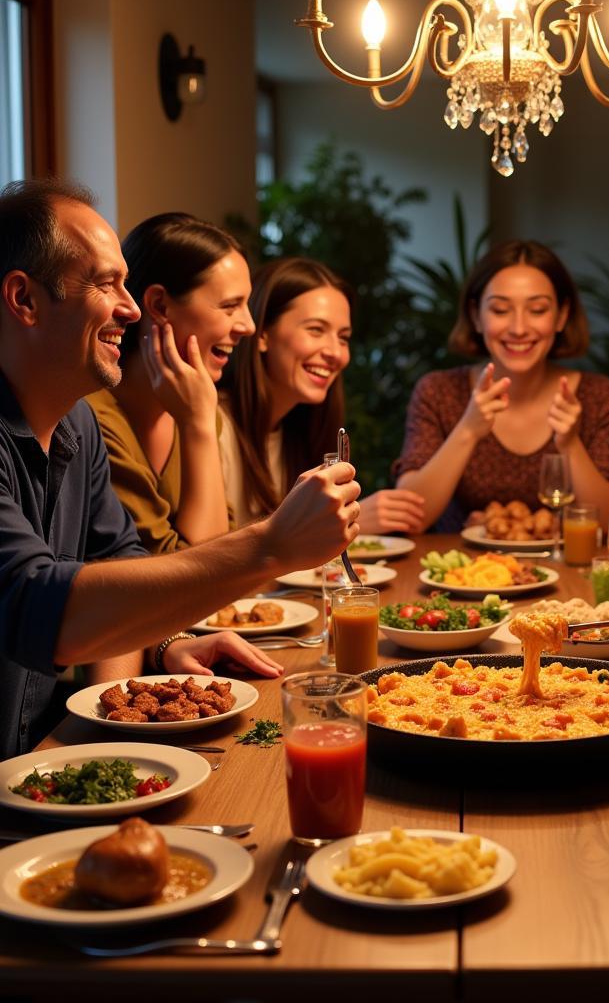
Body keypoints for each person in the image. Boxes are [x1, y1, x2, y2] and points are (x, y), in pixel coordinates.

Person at [0, 178, 360, 759]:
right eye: (105, 284)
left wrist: (125, 705)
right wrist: (270, 546)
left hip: (48, 758)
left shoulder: (78, 426)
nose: (132, 307)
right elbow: (36, 605)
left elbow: (117, 560)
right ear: (24, 300)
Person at [394, 240, 609, 530]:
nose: (518, 328)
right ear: (476, 316)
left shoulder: (596, 396)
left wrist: (570, 444)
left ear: (562, 316)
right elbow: (408, 518)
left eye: (538, 310)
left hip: (568, 573)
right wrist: (467, 430)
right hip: (459, 571)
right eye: (501, 310)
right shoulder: (439, 391)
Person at [218, 257, 425, 531]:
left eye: (343, 337)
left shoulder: (299, 431)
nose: (335, 353)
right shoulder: (214, 425)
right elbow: (208, 559)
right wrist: (340, 522)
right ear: (263, 333)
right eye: (316, 330)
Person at [87, 212, 253, 553]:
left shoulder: (199, 407)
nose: (248, 326)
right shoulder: (92, 422)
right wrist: (198, 427)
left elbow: (226, 552)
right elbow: (200, 572)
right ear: (159, 305)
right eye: (230, 306)